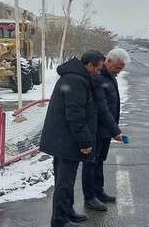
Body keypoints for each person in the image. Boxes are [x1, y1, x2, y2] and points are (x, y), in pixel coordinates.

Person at [40, 50, 105, 227]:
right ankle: (60, 221)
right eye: (97, 69)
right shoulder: (76, 80)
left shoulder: (76, 77)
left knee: (66, 181)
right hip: (66, 140)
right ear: (89, 65)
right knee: (64, 183)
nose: (98, 72)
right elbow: (75, 115)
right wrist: (85, 142)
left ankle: (67, 211)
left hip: (64, 139)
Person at [82, 48, 131, 211]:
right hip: (95, 129)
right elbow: (102, 108)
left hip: (105, 130)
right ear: (108, 62)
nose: (119, 71)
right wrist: (115, 131)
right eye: (117, 68)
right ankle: (90, 198)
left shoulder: (110, 77)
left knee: (99, 161)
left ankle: (98, 192)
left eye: (121, 69)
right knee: (91, 162)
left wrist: (112, 129)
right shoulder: (97, 77)